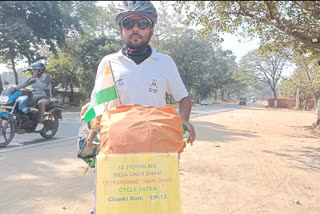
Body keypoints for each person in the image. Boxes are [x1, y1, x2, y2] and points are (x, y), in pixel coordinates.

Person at [86, 1, 195, 148]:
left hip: (156, 141)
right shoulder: (109, 63)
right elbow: (97, 103)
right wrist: (94, 125)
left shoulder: (164, 62)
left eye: (142, 23)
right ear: (120, 30)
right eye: (128, 23)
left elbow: (183, 98)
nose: (135, 29)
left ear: (151, 30)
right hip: (117, 143)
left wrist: (184, 120)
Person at [28, 62, 52, 131]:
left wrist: (35, 80)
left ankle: (40, 123)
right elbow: (25, 83)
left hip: (45, 97)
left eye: (35, 70)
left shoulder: (47, 76)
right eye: (33, 70)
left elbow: (44, 86)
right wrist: (15, 88)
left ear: (40, 70)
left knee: (40, 103)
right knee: (23, 102)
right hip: (35, 97)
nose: (33, 71)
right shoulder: (32, 77)